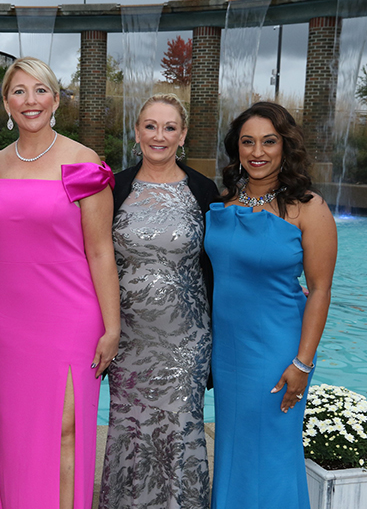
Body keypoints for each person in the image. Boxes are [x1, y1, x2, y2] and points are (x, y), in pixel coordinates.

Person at [0, 57, 121, 509]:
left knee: (66, 429)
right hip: (7, 319)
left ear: (56, 99)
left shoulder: (82, 163)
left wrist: (112, 328)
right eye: (19, 91)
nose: (30, 100)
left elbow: (101, 251)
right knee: (18, 434)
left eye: (40, 90)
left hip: (70, 316)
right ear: (6, 103)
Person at [205, 101, 337, 509]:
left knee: (273, 454)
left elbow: (319, 290)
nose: (257, 151)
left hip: (277, 351)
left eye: (268, 141)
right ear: (237, 148)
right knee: (233, 449)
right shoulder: (224, 202)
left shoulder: (308, 208)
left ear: (285, 146)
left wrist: (302, 363)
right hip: (227, 353)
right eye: (248, 142)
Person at [100, 94, 219, 509]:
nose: (159, 135)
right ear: (137, 132)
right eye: (150, 126)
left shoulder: (204, 191)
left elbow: (224, 256)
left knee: (181, 431)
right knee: (130, 432)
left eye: (169, 127)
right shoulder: (114, 187)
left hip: (186, 340)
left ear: (182, 135)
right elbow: (92, 255)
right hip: (128, 339)